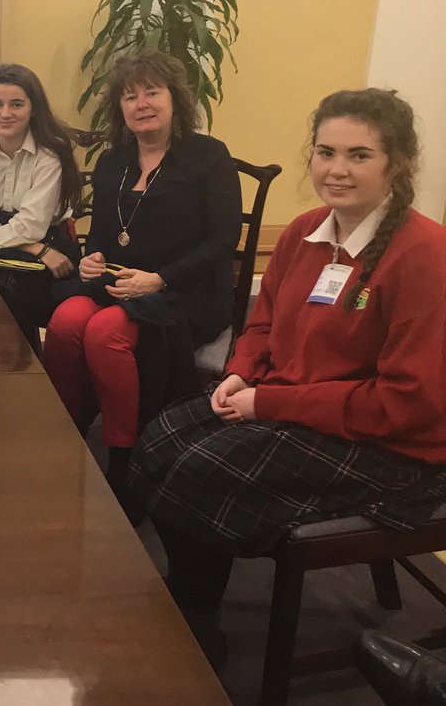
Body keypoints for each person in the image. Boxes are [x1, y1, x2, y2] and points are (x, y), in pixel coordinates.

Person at [127, 89, 446, 667]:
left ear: (396, 164)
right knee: (160, 438)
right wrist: (239, 373)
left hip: (391, 447)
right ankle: (191, 591)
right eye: (326, 152)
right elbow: (262, 323)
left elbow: (404, 405)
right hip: (296, 404)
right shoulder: (303, 232)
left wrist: (266, 402)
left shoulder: (425, 255)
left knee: (204, 470)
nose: (337, 170)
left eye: (359, 155)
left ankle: (196, 621)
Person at [41, 48, 241, 500]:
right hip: (119, 282)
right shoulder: (114, 161)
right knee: (67, 319)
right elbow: (105, 236)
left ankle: (125, 453)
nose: (141, 104)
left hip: (183, 289)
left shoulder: (207, 155)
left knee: (105, 331)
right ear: (120, 108)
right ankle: (65, 432)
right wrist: (92, 257)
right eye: (130, 97)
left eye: (153, 92)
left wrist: (161, 279)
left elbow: (222, 240)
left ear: (176, 100)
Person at [0, 63, 83, 358]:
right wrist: (34, 248)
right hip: (23, 247)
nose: (5, 113)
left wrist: (34, 243)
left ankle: (23, 373)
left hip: (53, 244)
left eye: (16, 104)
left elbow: (34, 224)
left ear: (33, 108)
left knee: (6, 293)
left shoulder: (51, 151)